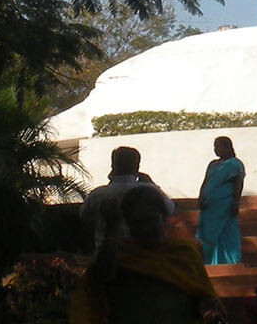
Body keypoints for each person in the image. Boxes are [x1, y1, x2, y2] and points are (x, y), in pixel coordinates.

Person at [69, 185, 226, 324]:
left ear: (164, 217)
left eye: (150, 220)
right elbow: (100, 278)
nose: (144, 229)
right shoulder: (123, 257)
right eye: (136, 223)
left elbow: (201, 295)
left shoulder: (184, 254)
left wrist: (207, 307)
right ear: (128, 224)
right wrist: (111, 228)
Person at [81, 146, 174, 253]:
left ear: (113, 165)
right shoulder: (150, 191)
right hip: (142, 257)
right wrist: (153, 185)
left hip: (105, 255)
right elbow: (170, 208)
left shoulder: (98, 194)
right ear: (137, 167)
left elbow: (84, 216)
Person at [196, 136, 245, 265]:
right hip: (209, 207)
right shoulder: (213, 164)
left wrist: (235, 203)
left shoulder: (235, 164)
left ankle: (229, 262)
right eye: (215, 147)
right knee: (207, 234)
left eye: (218, 146)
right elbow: (205, 181)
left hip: (224, 205)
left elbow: (238, 184)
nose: (216, 149)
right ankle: (209, 261)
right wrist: (201, 196)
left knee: (226, 232)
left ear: (227, 147)